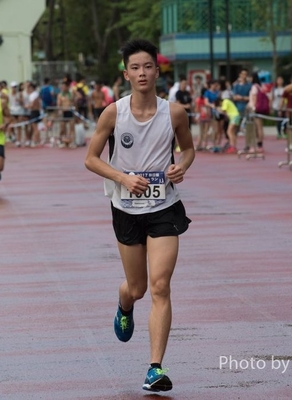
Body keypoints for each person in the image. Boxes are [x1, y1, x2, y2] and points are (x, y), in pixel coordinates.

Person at [84, 39, 194, 393]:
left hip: (164, 208)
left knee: (161, 286)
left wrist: (182, 167)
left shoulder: (174, 113)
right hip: (126, 209)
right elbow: (91, 159)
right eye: (135, 67)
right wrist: (122, 177)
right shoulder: (114, 113)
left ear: (157, 71)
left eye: (148, 66)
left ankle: (155, 368)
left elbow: (189, 149)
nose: (142, 73)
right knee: (138, 287)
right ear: (126, 73)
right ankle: (124, 303)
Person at [247, 72, 269, 153]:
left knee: (256, 127)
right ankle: (260, 144)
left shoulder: (254, 87)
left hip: (255, 109)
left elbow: (254, 98)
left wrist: (253, 107)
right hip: (260, 109)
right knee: (259, 127)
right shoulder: (261, 86)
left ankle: (257, 145)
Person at [57, 81, 75, 146]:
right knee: (63, 127)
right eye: (62, 87)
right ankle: (63, 141)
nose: (63, 88)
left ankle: (71, 140)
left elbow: (73, 102)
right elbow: (59, 104)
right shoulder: (60, 95)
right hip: (63, 112)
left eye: (64, 87)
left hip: (70, 111)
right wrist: (59, 110)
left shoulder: (71, 94)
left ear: (67, 87)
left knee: (71, 126)